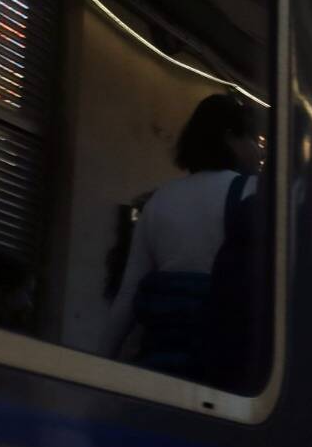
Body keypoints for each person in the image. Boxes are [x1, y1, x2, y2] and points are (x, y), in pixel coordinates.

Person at [103, 91, 263, 366]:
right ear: (230, 138)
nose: (259, 150)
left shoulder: (158, 201)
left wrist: (99, 363)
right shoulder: (251, 192)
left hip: (159, 363)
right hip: (221, 366)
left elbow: (127, 297)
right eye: (252, 139)